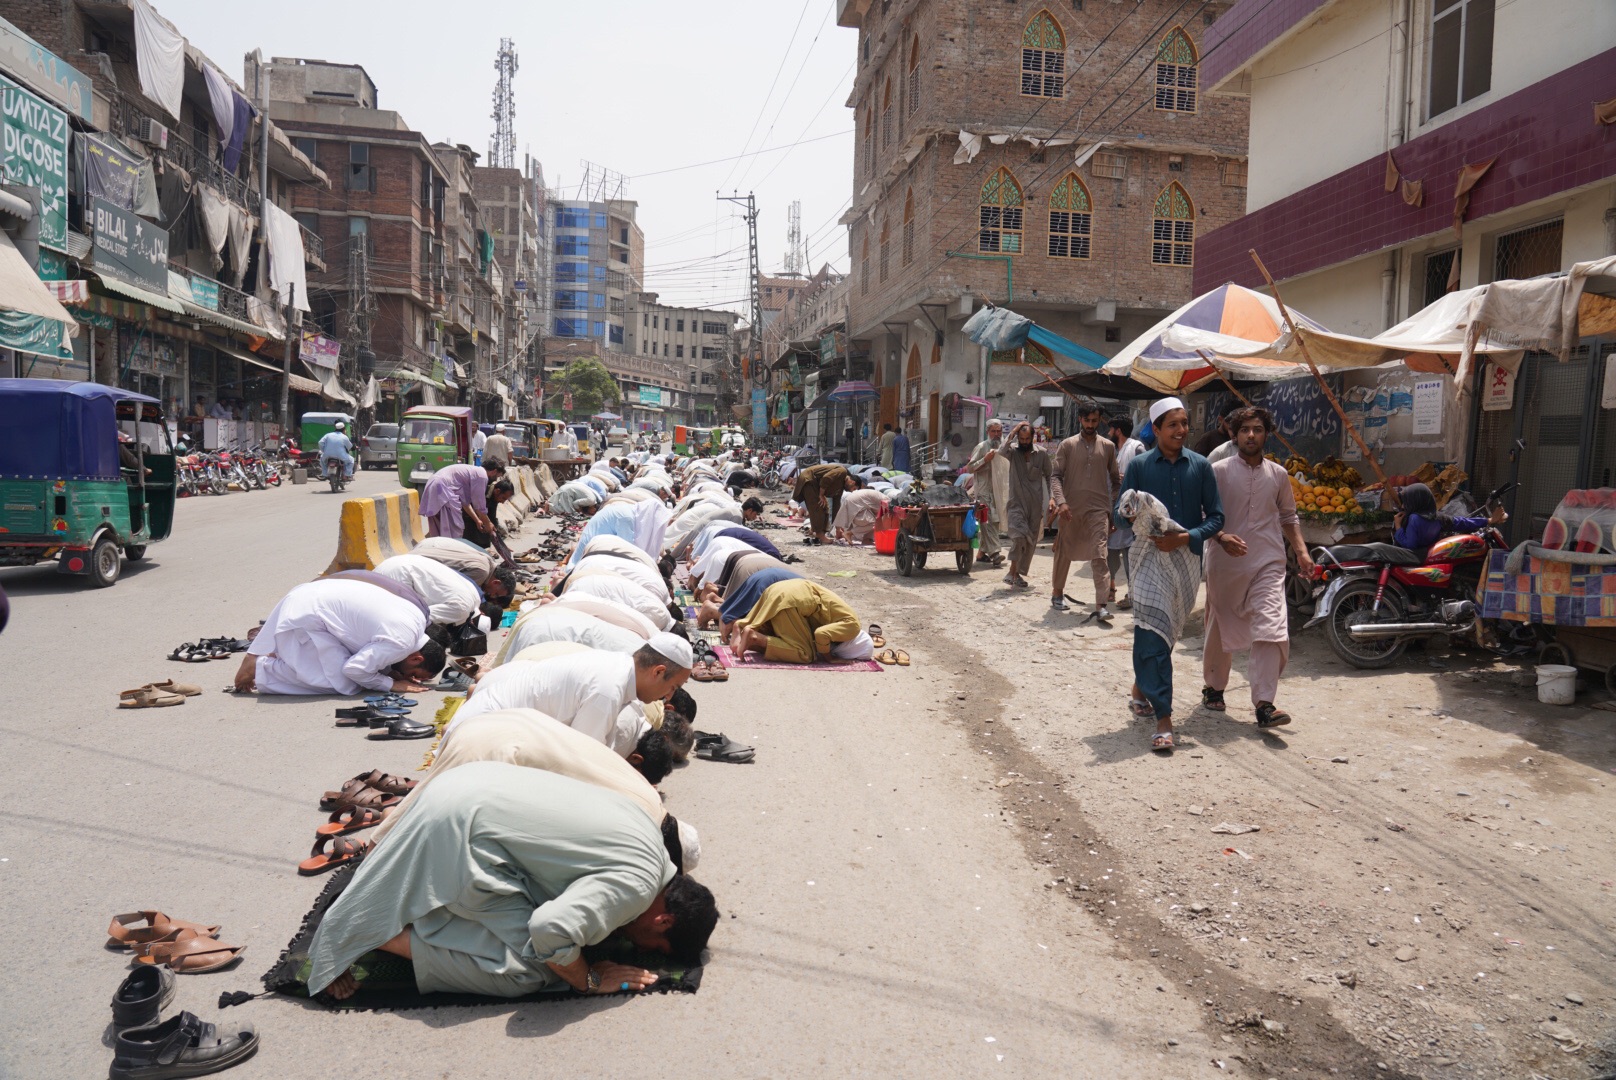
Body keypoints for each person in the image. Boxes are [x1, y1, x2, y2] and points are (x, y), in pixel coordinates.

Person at [306, 763, 718, 1000]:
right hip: (460, 838)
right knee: (534, 970)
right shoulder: (637, 889)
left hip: (461, 786)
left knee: (555, 941)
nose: (641, 948)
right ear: (663, 920)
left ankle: (393, 906)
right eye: (656, 947)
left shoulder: (652, 841)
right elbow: (549, 930)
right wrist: (588, 978)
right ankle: (378, 932)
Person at [370, 709, 679, 850]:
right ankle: (368, 862)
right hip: (492, 746)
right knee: (403, 833)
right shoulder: (641, 820)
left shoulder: (643, 794)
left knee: (426, 806)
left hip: (500, 723)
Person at [1116, 397, 1224, 753]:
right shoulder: (1140, 465)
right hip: (1146, 557)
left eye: (1184, 424)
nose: (1180, 430)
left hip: (1187, 562)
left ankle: (1141, 686)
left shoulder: (1202, 466)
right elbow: (1120, 514)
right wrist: (1133, 514)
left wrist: (1185, 537)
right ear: (1157, 429)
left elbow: (1216, 518)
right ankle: (1164, 719)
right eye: (1172, 424)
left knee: (1167, 632)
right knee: (1151, 631)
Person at [1202, 407, 1314, 730]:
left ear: (1267, 434)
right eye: (1245, 430)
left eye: (1258, 429)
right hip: (1225, 562)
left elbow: (1289, 517)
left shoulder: (1278, 475)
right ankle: (1214, 685)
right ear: (1234, 435)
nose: (1251, 435)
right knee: (1221, 624)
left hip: (1268, 560)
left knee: (1272, 625)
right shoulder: (1218, 471)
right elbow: (1203, 514)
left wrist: (1302, 553)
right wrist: (1221, 538)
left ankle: (1265, 703)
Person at [448, 637, 694, 751]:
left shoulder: (617, 666)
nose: (668, 696)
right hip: (479, 740)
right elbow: (581, 756)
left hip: (486, 723)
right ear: (658, 671)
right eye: (673, 687)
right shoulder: (608, 689)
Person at [233, 577, 445, 695]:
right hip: (311, 612)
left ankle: (271, 656)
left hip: (314, 595)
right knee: (339, 683)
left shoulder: (417, 622)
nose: (412, 679)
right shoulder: (401, 643)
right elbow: (354, 669)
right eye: (416, 674)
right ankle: (261, 668)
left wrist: (390, 671)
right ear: (416, 657)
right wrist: (391, 684)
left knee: (343, 668)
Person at [1049, 399, 1122, 617]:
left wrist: (1114, 508)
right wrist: (1061, 502)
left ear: (1099, 421)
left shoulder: (1108, 447)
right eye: (1087, 420)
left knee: (1100, 554)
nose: (1090, 425)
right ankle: (1057, 593)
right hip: (1070, 510)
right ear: (1080, 419)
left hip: (1099, 510)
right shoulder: (1068, 445)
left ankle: (1101, 606)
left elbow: (1115, 479)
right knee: (1064, 551)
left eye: (1095, 421)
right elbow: (1055, 476)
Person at [730, 578, 862, 664]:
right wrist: (830, 658)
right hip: (793, 600)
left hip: (778, 588)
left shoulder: (845, 612)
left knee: (776, 630)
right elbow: (821, 634)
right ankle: (755, 637)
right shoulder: (853, 627)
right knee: (805, 654)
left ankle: (741, 626)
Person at [1002, 421, 1052, 589]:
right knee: (1019, 536)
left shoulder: (1042, 454)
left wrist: (1052, 499)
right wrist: (1014, 429)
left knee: (1030, 541)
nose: (1024, 441)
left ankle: (1017, 574)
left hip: (1035, 505)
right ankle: (1011, 570)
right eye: (1021, 438)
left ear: (1032, 438)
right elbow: (1002, 450)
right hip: (1016, 503)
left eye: (1026, 438)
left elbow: (1050, 476)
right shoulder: (1012, 452)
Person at [372, 552, 483, 627]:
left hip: (393, 563)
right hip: (399, 575)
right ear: (472, 623)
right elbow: (420, 617)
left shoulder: (475, 596)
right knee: (399, 622)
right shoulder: (461, 610)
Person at [1393, 482, 1505, 551]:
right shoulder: (1437, 517)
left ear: (1417, 501)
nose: (1403, 506)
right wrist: (1488, 520)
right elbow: (1461, 522)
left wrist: (1398, 527)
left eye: (1407, 502)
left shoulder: (1414, 519)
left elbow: (1409, 546)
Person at [1107, 415, 1146, 611]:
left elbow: (1145, 476)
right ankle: (1110, 587)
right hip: (1114, 507)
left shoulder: (1136, 448)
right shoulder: (1114, 451)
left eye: (1110, 429)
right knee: (1110, 551)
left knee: (1132, 555)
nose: (1108, 434)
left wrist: (1128, 480)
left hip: (1131, 512)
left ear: (1118, 431)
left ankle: (1133, 595)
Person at [964, 419, 1009, 569]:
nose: (996, 435)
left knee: (995, 521)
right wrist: (985, 460)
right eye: (993, 432)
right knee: (988, 520)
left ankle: (981, 554)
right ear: (988, 432)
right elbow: (970, 468)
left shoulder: (1003, 447)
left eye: (999, 431)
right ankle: (995, 553)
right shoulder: (982, 447)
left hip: (998, 490)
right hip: (984, 490)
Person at [420, 462, 504, 540]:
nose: (495, 479)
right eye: (497, 476)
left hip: (434, 485)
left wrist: (477, 520)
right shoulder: (481, 476)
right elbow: (479, 506)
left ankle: (439, 551)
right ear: (494, 471)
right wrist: (488, 523)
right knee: (455, 529)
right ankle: (450, 551)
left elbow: (465, 503)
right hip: (443, 488)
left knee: (438, 527)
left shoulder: (471, 472)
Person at [791, 462, 850, 545]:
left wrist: (838, 529)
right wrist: (821, 494)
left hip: (814, 484)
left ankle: (819, 533)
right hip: (809, 479)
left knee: (825, 508)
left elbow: (836, 508)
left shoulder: (840, 488)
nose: (851, 489)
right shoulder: (842, 471)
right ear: (851, 479)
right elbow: (826, 478)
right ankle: (819, 535)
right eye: (853, 486)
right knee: (817, 507)